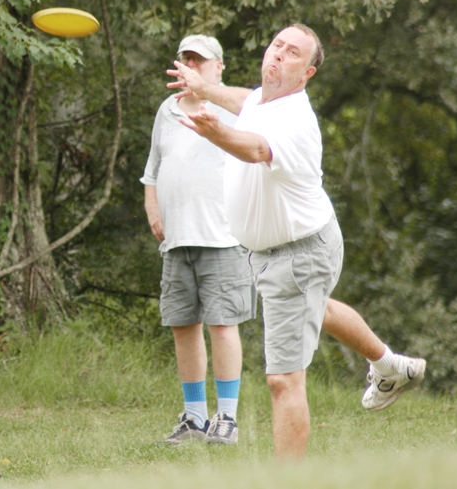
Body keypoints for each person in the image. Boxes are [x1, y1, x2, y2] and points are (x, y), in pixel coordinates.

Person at [167, 24, 426, 459]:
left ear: (306, 73)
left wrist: (216, 133)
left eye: (292, 54)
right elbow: (242, 100)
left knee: (283, 380)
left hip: (298, 254)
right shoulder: (262, 100)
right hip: (299, 247)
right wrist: (205, 87)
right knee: (317, 306)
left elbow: (254, 148)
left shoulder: (295, 120)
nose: (279, 55)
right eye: (277, 46)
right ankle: (390, 366)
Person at [141, 35, 255, 446]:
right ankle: (194, 419)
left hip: (223, 237)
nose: (190, 65)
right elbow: (152, 170)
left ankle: (226, 418)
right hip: (177, 240)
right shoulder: (166, 111)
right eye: (185, 59)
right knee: (183, 327)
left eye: (199, 61)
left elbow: (258, 124)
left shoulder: (235, 109)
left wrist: (212, 94)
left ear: (218, 66)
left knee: (223, 326)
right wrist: (153, 210)